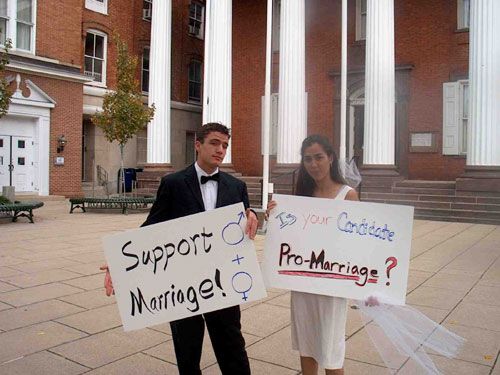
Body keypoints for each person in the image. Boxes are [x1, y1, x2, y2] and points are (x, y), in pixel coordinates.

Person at [101, 122, 258, 375]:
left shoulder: (236, 186)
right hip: (183, 285)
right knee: (187, 352)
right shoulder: (173, 183)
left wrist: (252, 218)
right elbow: (152, 226)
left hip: (224, 282)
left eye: (225, 145)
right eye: (215, 143)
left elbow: (245, 218)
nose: (221, 150)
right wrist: (121, 263)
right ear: (198, 145)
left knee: (233, 350)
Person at [266, 134, 360, 375]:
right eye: (307, 159)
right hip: (304, 281)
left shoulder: (347, 195)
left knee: (331, 348)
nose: (313, 164)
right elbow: (291, 235)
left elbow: (357, 242)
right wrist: (275, 218)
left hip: (331, 283)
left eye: (318, 157)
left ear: (330, 158)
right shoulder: (301, 197)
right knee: (307, 344)